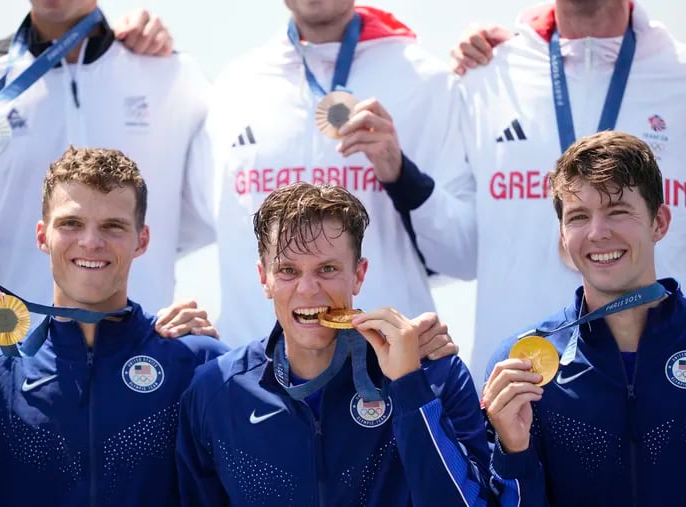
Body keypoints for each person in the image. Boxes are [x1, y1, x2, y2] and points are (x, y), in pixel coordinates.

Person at [0, 146, 228, 506]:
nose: (91, 242)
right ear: (42, 236)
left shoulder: (196, 365)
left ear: (141, 241)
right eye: (71, 223)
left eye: (112, 226)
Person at [176, 182, 492, 506]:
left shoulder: (435, 374)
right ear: (264, 278)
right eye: (288, 270)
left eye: (327, 269)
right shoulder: (215, 392)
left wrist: (410, 387)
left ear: (359, 274)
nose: (309, 288)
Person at [439, 0, 686, 384]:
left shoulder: (677, 76)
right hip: (521, 379)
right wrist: (398, 172)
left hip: (667, 377)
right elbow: (451, 248)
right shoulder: (489, 75)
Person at [201, 0, 475, 345]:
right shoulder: (234, 87)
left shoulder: (426, 81)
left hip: (383, 369)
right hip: (256, 377)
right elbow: (188, 220)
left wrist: (401, 173)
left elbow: (464, 255)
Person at [0, 0, 211, 322]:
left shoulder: (170, 74)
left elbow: (204, 216)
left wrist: (133, 260)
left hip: (141, 351)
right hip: (13, 345)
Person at [482, 131, 685, 506]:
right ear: (562, 236)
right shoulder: (522, 365)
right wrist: (513, 452)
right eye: (578, 217)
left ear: (659, 222)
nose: (597, 232)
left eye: (618, 211)